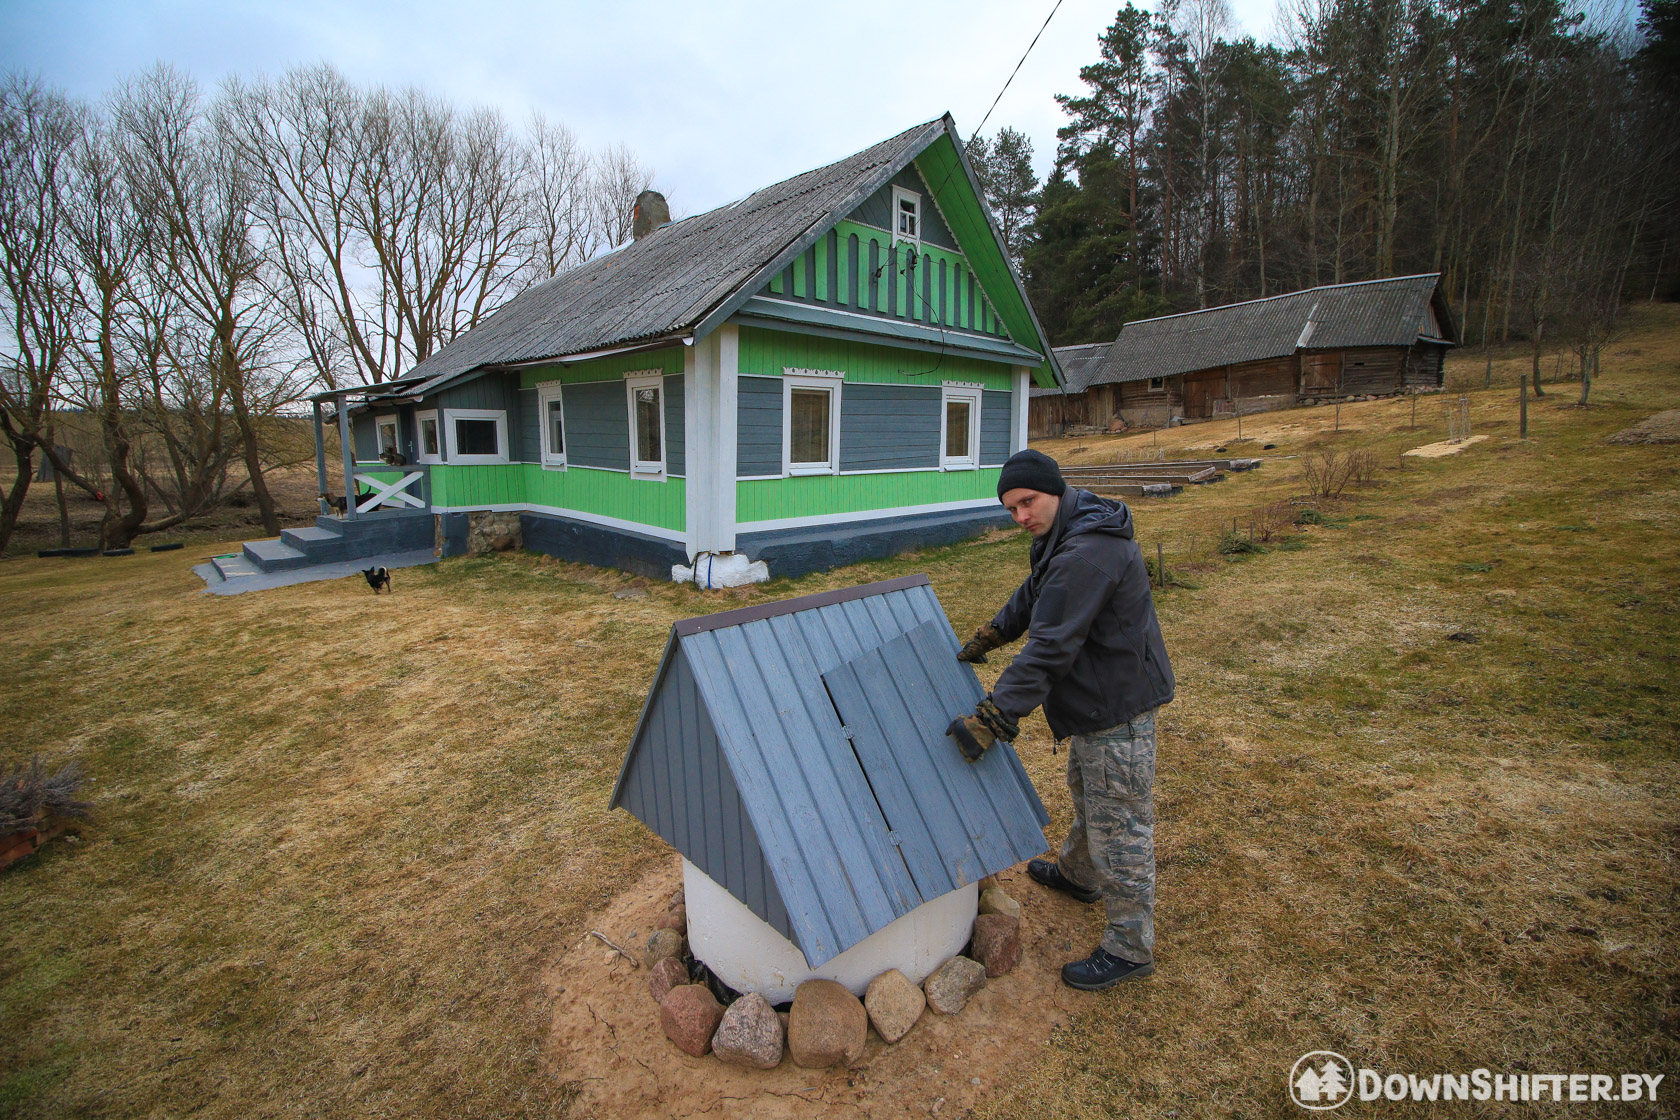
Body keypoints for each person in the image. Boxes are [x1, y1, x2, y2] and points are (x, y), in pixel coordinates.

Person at [946, 448, 1175, 991]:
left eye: (1028, 502)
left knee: (1120, 825)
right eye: (1011, 509)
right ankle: (1078, 875)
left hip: (1117, 704)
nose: (1022, 516)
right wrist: (994, 633)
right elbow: (1036, 594)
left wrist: (995, 717)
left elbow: (1050, 646)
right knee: (1087, 789)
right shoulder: (1067, 529)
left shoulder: (1087, 552)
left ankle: (1129, 947)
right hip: (1101, 696)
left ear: (1054, 489)